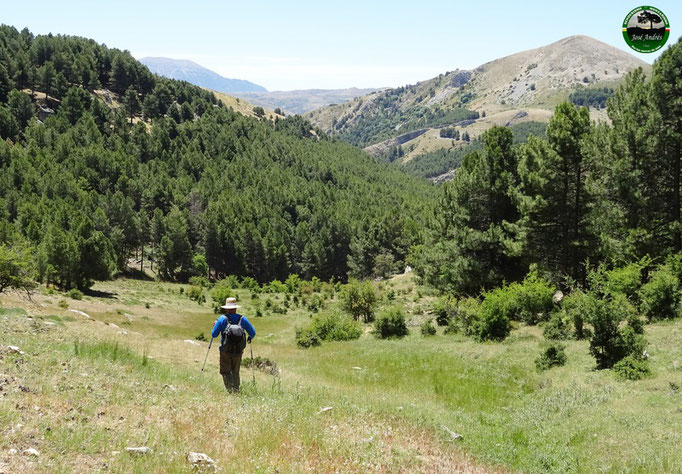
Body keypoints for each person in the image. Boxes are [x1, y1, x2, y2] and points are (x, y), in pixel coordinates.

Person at [210, 297, 256, 392]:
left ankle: (231, 391)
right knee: (235, 372)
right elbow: (253, 332)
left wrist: (215, 325)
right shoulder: (242, 319)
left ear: (226, 308)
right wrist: (249, 337)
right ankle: (236, 390)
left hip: (225, 351)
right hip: (238, 351)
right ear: (236, 308)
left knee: (225, 371)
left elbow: (214, 334)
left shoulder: (222, 319)